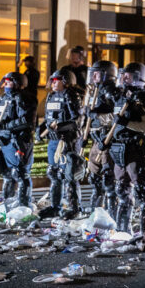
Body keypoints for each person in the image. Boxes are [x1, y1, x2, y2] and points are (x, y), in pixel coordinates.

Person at [104, 62, 145, 234]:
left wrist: (127, 123)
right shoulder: (120, 97)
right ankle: (123, 231)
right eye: (123, 75)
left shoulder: (144, 98)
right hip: (118, 150)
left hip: (136, 149)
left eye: (128, 75)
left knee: (144, 192)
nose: (124, 78)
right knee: (122, 191)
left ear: (138, 77)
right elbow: (111, 120)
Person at [38, 69, 85, 219]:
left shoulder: (71, 96)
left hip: (68, 140)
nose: (53, 83)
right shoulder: (51, 97)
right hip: (53, 140)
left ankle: (74, 207)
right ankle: (55, 206)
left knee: (69, 174)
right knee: (53, 172)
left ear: (65, 81)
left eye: (56, 80)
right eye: (52, 80)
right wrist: (40, 130)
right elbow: (48, 119)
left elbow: (77, 121)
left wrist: (60, 128)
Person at [0, 72, 36, 207]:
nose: (5, 84)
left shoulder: (24, 98)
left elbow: (27, 120)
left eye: (9, 82)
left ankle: (23, 206)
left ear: (18, 84)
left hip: (18, 141)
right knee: (7, 174)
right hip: (4, 141)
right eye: (5, 81)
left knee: (21, 174)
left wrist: (6, 126)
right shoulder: (4, 98)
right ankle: (7, 204)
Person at [85, 60, 121, 216]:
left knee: (109, 179)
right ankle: (96, 213)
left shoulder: (112, 92)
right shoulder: (94, 91)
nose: (93, 76)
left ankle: (112, 214)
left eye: (97, 73)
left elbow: (117, 117)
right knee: (94, 176)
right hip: (95, 139)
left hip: (108, 140)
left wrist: (99, 116)